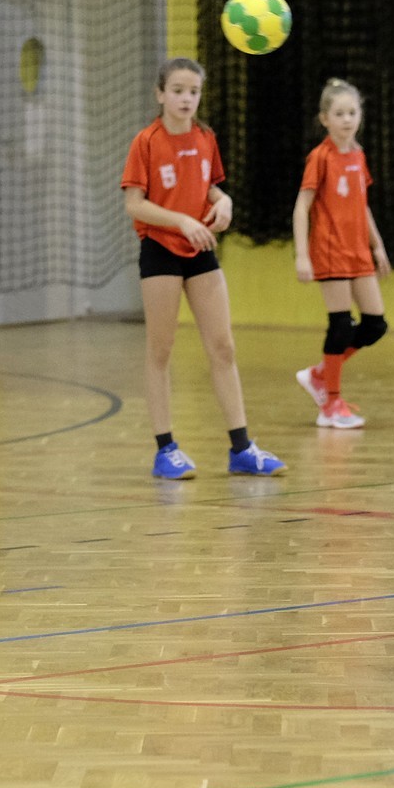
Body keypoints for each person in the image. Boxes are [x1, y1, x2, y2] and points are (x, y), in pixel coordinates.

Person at [121, 57, 285, 480]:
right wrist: (181, 221)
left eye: (193, 91)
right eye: (177, 90)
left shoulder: (205, 137)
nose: (186, 99)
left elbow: (207, 185)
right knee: (161, 350)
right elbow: (134, 204)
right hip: (160, 250)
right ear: (160, 94)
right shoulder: (146, 142)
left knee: (223, 346)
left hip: (201, 249)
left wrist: (222, 201)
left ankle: (241, 448)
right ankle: (165, 449)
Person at [290, 78, 390, 430]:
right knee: (341, 325)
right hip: (330, 250)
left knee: (375, 325)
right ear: (325, 119)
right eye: (339, 113)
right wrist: (302, 255)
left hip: (358, 251)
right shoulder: (320, 158)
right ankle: (330, 404)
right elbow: (302, 207)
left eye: (352, 112)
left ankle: (321, 374)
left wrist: (377, 245)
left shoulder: (358, 155)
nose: (347, 119)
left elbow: (362, 205)